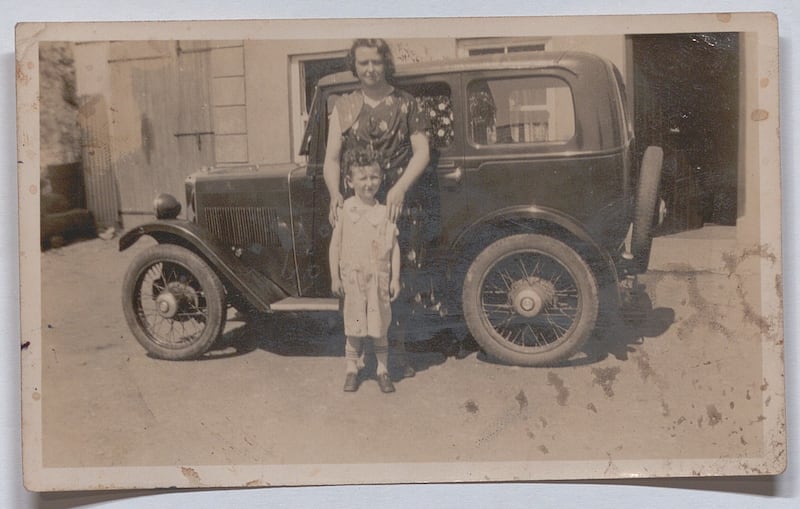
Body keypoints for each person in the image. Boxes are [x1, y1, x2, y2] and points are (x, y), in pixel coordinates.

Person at [323, 38, 432, 379]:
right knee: (356, 278)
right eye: (363, 63)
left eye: (376, 62)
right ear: (354, 66)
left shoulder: (406, 103)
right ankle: (358, 358)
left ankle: (393, 357)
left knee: (394, 280)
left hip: (396, 205)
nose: (370, 69)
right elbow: (331, 159)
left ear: (386, 64)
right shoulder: (344, 105)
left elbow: (422, 152)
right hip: (357, 205)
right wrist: (333, 193)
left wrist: (398, 189)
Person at [329, 145, 401, 393]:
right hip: (354, 280)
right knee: (355, 327)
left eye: (374, 177)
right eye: (363, 178)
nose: (369, 183)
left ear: (381, 178)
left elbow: (394, 247)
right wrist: (334, 276)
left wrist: (395, 279)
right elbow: (335, 245)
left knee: (379, 326)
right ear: (350, 181)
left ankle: (382, 369)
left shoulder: (384, 212)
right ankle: (352, 368)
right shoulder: (345, 209)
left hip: (377, 280)